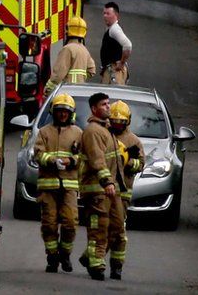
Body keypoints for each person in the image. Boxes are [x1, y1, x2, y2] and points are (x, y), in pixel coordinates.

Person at [33, 93, 83, 273]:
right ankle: (52, 256)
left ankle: (65, 254)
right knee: (49, 224)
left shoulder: (78, 133)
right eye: (59, 111)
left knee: (70, 222)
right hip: (48, 186)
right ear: (54, 112)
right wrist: (51, 160)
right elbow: (38, 153)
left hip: (69, 186)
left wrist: (72, 161)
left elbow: (83, 157)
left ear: (71, 114)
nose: (62, 114)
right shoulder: (44, 132)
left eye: (66, 112)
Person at [77, 92, 124, 281]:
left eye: (108, 103)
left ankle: (89, 257)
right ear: (94, 109)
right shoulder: (93, 131)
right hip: (97, 189)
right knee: (99, 228)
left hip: (111, 189)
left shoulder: (107, 129)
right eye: (103, 104)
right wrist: (106, 181)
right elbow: (97, 160)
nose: (108, 107)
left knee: (117, 226)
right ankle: (96, 266)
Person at [106, 100, 145, 280]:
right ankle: (94, 259)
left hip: (122, 193)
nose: (117, 125)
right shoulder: (104, 136)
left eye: (121, 122)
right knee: (101, 228)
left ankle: (116, 266)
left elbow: (141, 164)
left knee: (119, 231)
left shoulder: (133, 141)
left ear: (127, 121)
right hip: (103, 190)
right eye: (114, 121)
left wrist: (129, 163)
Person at [44, 16, 96, 96]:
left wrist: (48, 88)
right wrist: (79, 78)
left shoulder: (67, 49)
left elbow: (59, 74)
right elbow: (92, 71)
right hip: (79, 91)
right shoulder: (84, 50)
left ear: (68, 30)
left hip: (67, 91)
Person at [100, 2, 132, 85]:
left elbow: (128, 45)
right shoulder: (111, 28)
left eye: (108, 13)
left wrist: (121, 63)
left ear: (116, 15)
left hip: (114, 72)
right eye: (104, 13)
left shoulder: (114, 29)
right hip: (111, 71)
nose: (105, 16)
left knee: (113, 96)